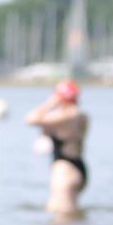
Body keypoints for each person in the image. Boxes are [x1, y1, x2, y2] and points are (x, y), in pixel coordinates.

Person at [25, 80, 89, 215]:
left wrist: (51, 103)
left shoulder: (67, 116)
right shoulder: (82, 116)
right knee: (63, 214)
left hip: (65, 171)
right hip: (78, 167)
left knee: (61, 223)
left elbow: (31, 119)